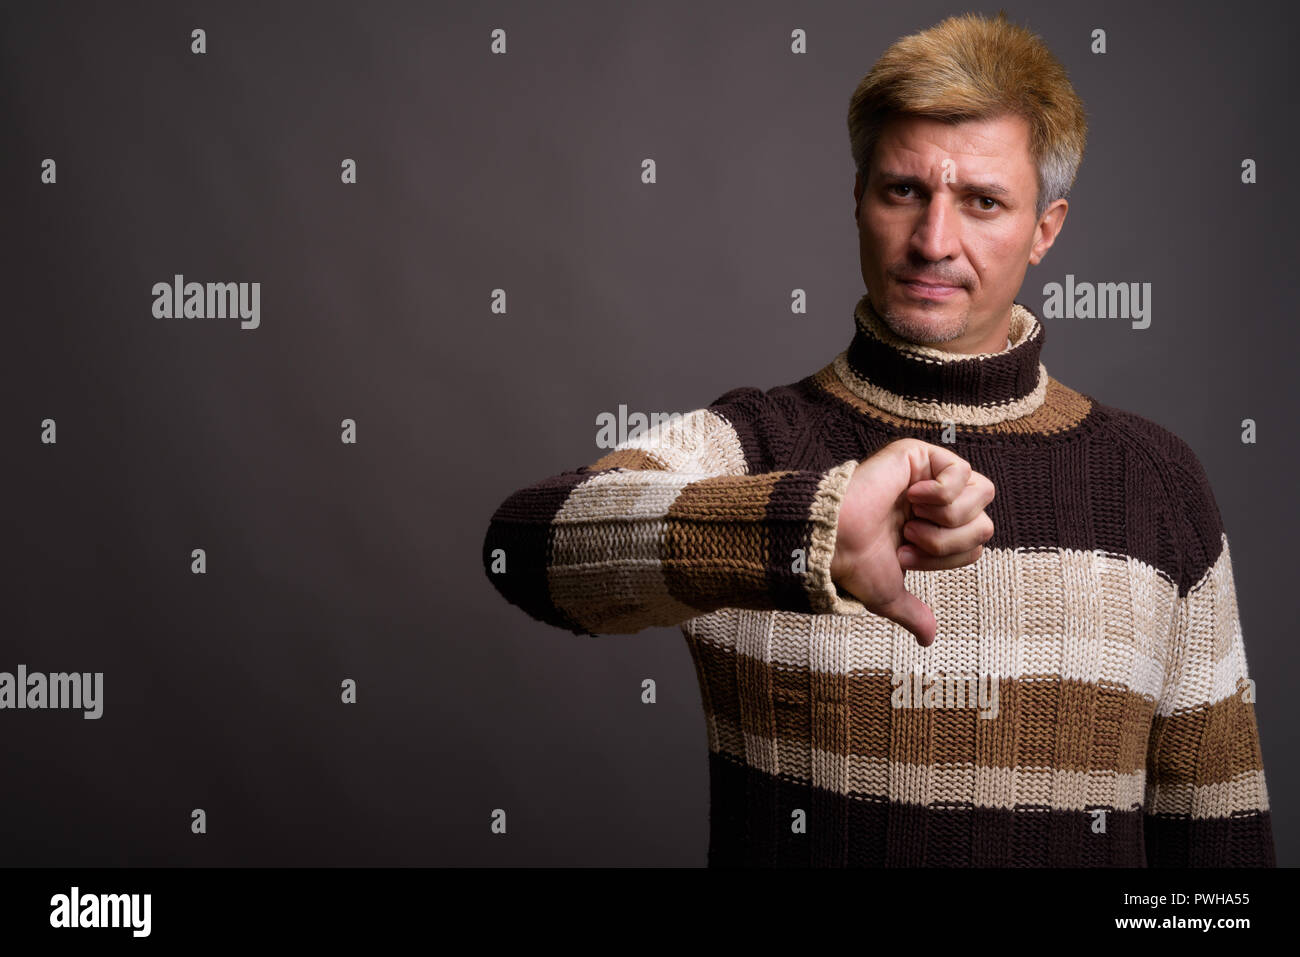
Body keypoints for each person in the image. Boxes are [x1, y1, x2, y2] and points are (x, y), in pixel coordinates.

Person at [481, 11, 1274, 867]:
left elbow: (1221, 863)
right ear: (857, 197)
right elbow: (524, 545)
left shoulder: (1155, 482)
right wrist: (810, 533)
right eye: (904, 191)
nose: (935, 242)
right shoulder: (754, 445)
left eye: (983, 202)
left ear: (1046, 229)